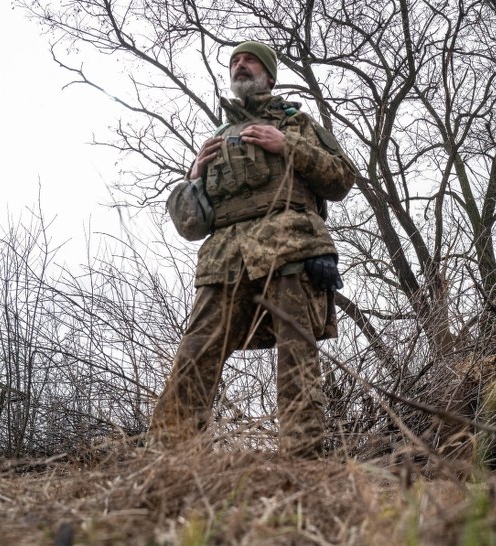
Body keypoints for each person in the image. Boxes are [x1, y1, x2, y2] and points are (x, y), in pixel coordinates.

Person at [151, 41, 357, 458]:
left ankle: (304, 462)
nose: (240, 66)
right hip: (223, 261)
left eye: (250, 60)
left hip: (291, 249)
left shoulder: (296, 123)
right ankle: (170, 461)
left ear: (269, 74)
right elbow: (190, 226)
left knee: (296, 355)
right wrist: (193, 174)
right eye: (234, 62)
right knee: (195, 354)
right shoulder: (215, 140)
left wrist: (286, 146)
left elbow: (340, 180)